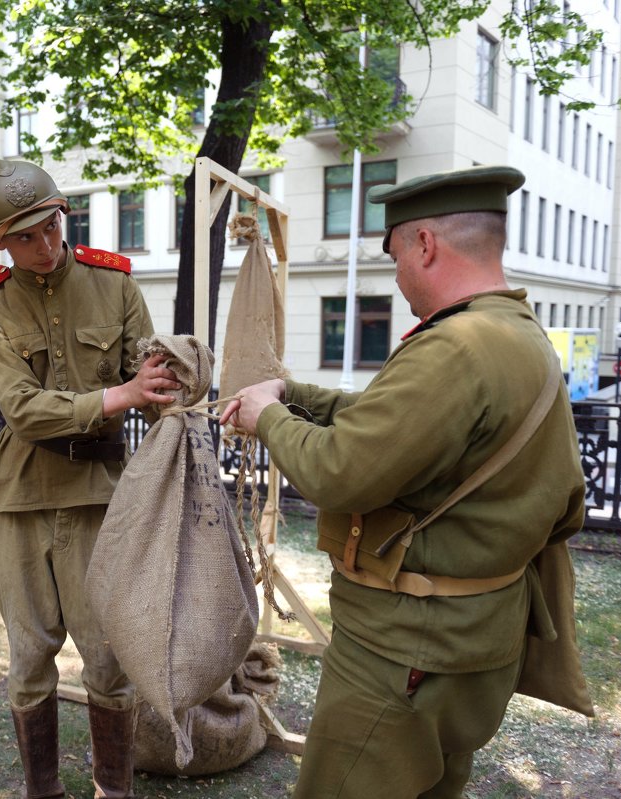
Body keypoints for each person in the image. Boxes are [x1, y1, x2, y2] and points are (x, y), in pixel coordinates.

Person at [220, 165, 588, 798]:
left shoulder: (455, 347)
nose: (397, 278)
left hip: (407, 650)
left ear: (425, 245)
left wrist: (269, 417)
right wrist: (297, 393)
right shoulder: (516, 333)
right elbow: (401, 428)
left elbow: (340, 473)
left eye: (395, 258)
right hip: (475, 639)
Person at [0, 159, 179, 798]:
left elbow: (154, 376)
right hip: (23, 500)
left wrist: (175, 378)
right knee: (30, 660)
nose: (45, 245)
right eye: (24, 237)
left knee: (109, 659)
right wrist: (124, 395)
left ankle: (113, 789)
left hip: (101, 498)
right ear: (0, 242)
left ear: (64, 213)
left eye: (51, 226)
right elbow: (24, 411)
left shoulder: (114, 284)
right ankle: (43, 792)